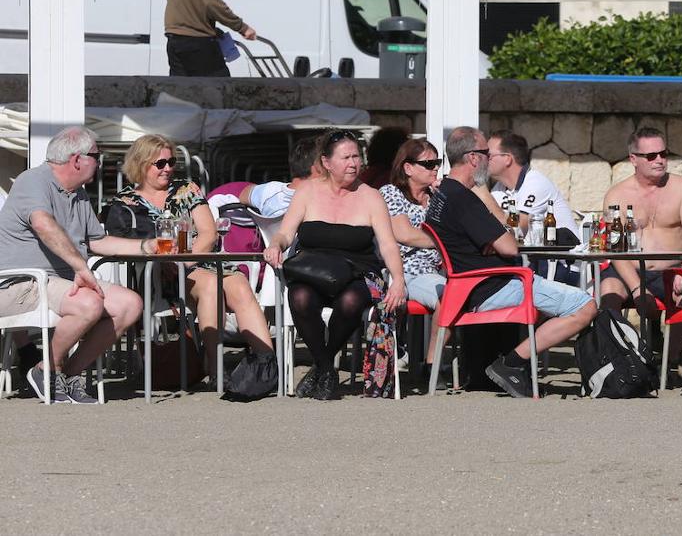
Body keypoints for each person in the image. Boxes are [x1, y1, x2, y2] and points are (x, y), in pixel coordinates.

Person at [424, 126, 595, 399]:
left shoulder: (442, 195)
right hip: (492, 286)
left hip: (464, 287)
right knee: (585, 306)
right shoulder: (464, 200)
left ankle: (510, 364)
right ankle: (512, 363)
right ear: (472, 158)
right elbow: (509, 245)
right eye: (485, 154)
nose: (488, 159)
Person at [108, 134, 273, 381]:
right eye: (160, 164)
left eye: (171, 162)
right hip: (157, 274)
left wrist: (186, 261)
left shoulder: (186, 190)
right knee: (209, 284)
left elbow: (208, 232)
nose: (168, 169)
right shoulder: (125, 203)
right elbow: (124, 244)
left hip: (197, 259)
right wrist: (168, 262)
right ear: (141, 164)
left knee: (239, 284)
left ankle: (268, 363)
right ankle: (216, 367)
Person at [0, 126, 144, 404]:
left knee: (129, 304)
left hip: (60, 283)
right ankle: (46, 369)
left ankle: (65, 373)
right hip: (21, 283)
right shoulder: (33, 180)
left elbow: (97, 241)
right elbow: (43, 224)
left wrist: (146, 247)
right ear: (77, 159)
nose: (99, 162)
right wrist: (81, 268)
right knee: (89, 304)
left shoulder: (77, 193)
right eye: (96, 156)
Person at [263, 130, 407, 400]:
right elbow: (285, 233)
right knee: (301, 296)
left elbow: (388, 244)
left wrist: (398, 279)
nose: (354, 163)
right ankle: (327, 369)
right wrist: (275, 245)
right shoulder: (307, 192)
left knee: (352, 301)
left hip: (358, 270)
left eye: (356, 156)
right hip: (313, 268)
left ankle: (322, 366)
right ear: (327, 163)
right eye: (346, 157)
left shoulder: (371, 196)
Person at [599, 127, 682, 320]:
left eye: (663, 154)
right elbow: (615, 249)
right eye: (651, 156)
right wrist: (638, 288)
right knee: (609, 292)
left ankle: (672, 351)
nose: (659, 160)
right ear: (633, 159)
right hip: (630, 270)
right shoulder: (616, 195)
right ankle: (614, 348)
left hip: (673, 270)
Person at [378, 137, 445, 383]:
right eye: (429, 163)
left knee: (472, 290)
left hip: (437, 270)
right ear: (407, 168)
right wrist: (443, 241)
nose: (436, 168)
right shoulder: (390, 193)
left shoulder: (437, 196)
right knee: (451, 296)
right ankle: (432, 365)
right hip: (405, 271)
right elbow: (404, 234)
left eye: (438, 162)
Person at [486, 130, 577, 242]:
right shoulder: (500, 187)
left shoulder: (535, 183)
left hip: (562, 257)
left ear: (507, 159)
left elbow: (517, 230)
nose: (483, 160)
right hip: (530, 256)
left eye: (488, 155)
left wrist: (481, 190)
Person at [164, 0, 258, 77]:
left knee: (179, 88)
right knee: (220, 86)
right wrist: (242, 27)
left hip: (174, 38)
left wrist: (205, 25)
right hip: (198, 42)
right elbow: (212, 3)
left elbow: (177, 0)